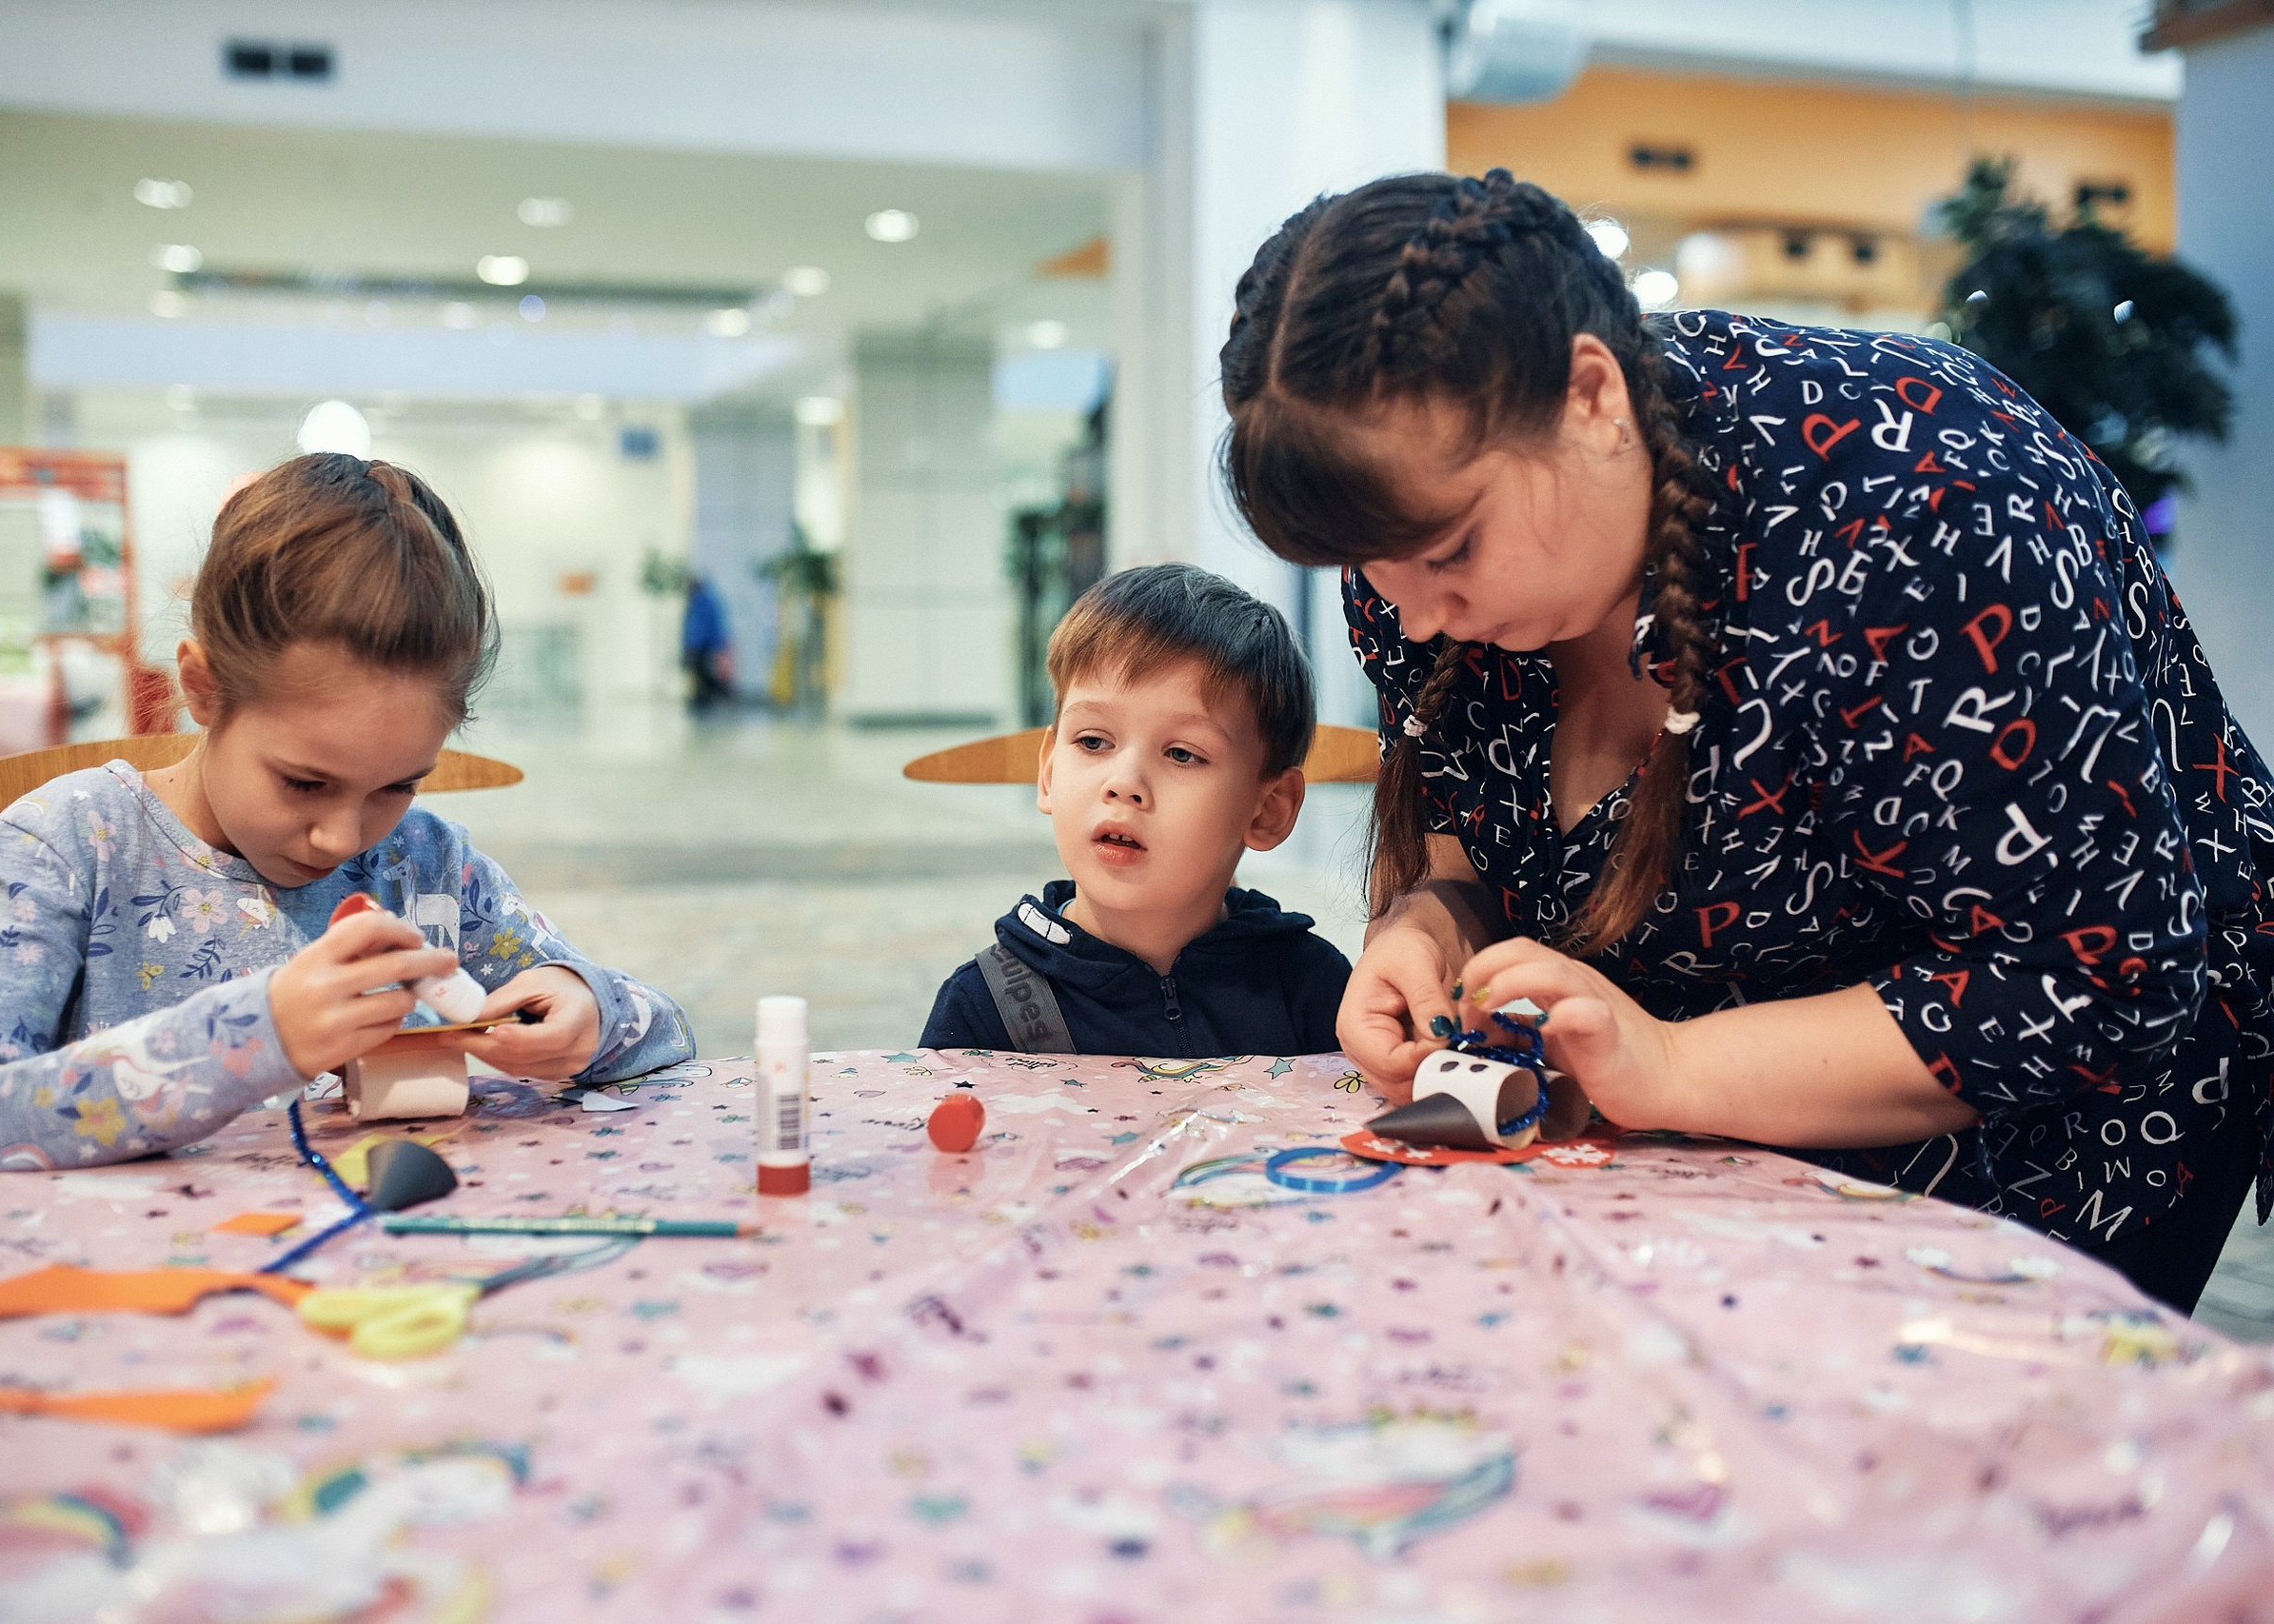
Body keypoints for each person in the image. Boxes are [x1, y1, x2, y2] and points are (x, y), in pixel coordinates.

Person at [1217, 168, 2270, 1312]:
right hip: (1688, 1124)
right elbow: (1469, 817)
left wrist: (1671, 1062)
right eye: (1365, 572)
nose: (1408, 614)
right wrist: (1428, 920)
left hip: (2050, 1142)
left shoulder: (1926, 520)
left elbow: (2085, 977)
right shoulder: (1414, 562)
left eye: (1453, 551)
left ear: (1589, 396)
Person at [0, 454, 694, 1198]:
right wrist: (250, 1038)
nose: (343, 838)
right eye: (305, 782)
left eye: (397, 785)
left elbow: (664, 1034)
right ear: (202, 687)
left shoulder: (427, 868)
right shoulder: (74, 844)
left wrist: (587, 1011)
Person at [921, 564, 1350, 1058]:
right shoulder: (987, 1007)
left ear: (1267, 811)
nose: (1124, 784)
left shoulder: (1312, 992)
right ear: (1048, 772)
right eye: (1093, 741)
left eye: (1182, 754)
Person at [682, 572, 734, 713]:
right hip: (696, 644)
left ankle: (720, 693)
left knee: (704, 672)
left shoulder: (707, 600)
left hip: (704, 644)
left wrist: (716, 645)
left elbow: (711, 625)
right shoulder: (695, 601)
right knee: (699, 672)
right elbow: (690, 625)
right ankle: (703, 697)